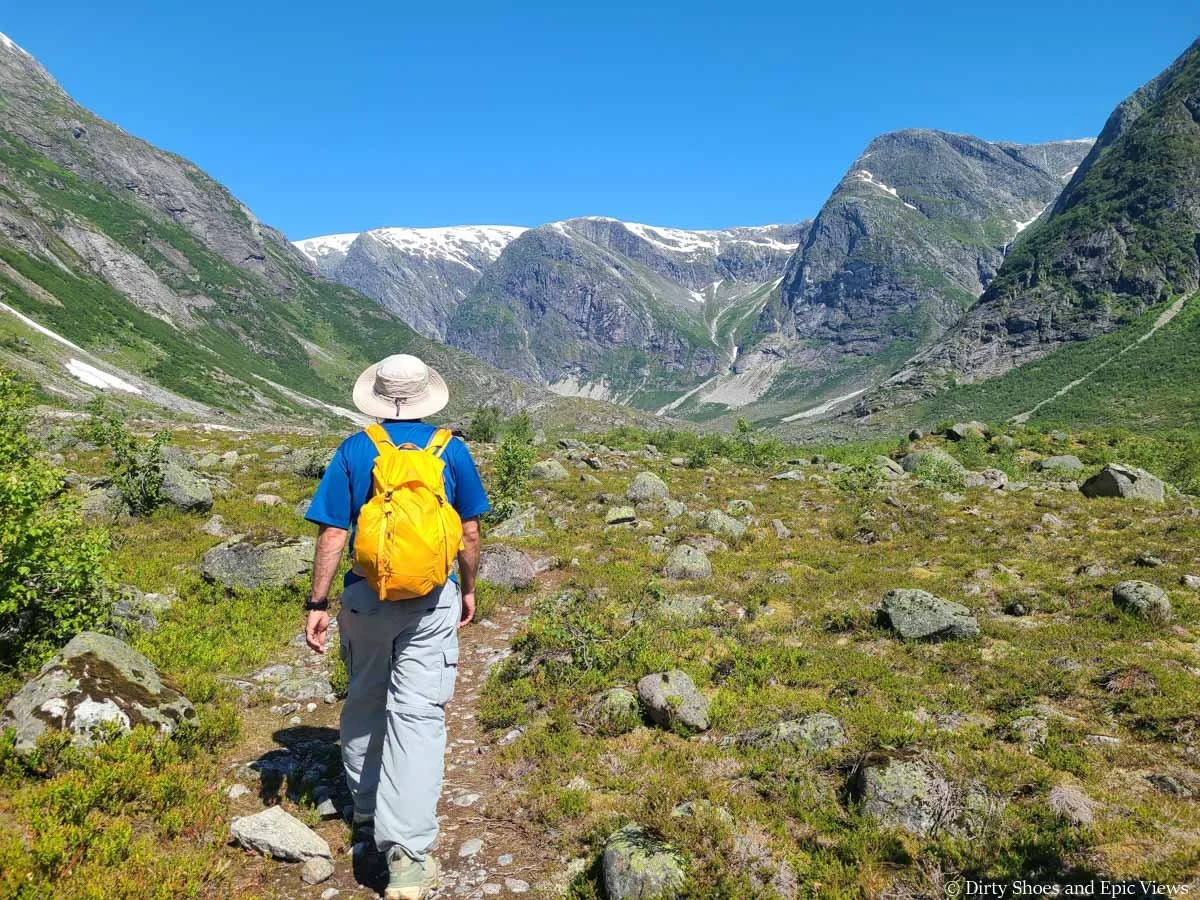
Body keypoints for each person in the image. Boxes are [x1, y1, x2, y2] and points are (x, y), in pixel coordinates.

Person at [303, 353, 490, 900]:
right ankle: (406, 855)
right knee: (418, 714)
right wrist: (469, 587)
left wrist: (317, 600)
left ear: (380, 399)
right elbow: (471, 532)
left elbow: (333, 535)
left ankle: (365, 812)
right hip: (432, 600)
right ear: (428, 395)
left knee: (364, 694)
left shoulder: (356, 448)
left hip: (364, 598)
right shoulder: (449, 449)